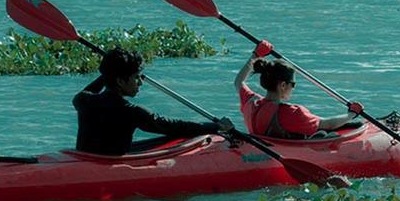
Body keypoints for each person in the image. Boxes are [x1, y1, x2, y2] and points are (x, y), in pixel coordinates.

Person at [74, 48, 233, 156]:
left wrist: (111, 71)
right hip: (106, 165)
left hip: (84, 158)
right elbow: (173, 126)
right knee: (175, 134)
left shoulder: (83, 100)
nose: (140, 83)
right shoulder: (131, 111)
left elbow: (91, 89)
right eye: (136, 77)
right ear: (121, 81)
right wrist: (215, 126)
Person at [234, 40, 360, 139]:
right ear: (283, 85)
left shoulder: (251, 102)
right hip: (287, 150)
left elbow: (239, 81)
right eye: (292, 84)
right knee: (323, 133)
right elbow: (328, 124)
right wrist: (351, 114)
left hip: (264, 143)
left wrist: (256, 55)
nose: (293, 88)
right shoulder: (293, 113)